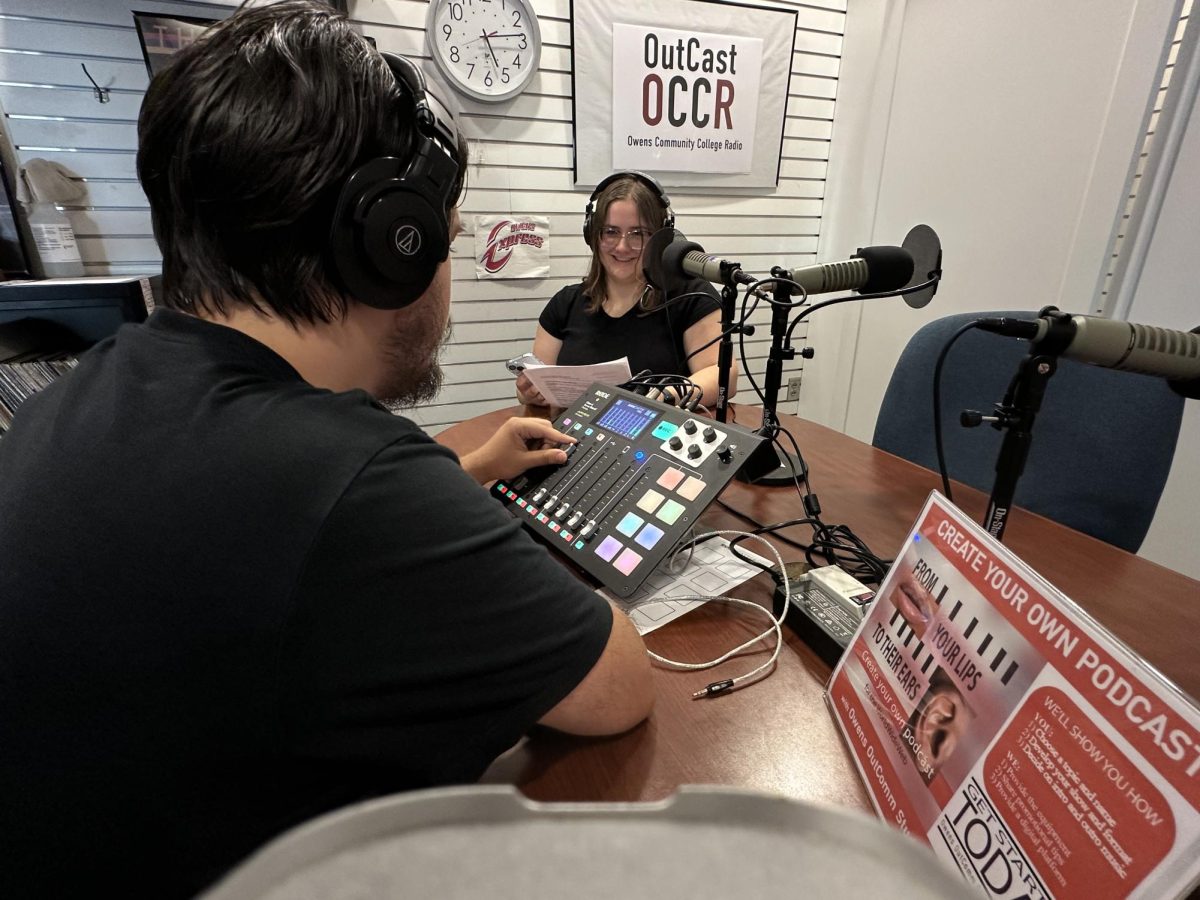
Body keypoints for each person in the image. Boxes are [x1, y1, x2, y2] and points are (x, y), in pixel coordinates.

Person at [0, 3, 652, 896]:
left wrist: (466, 472)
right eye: (449, 240)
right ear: (391, 247)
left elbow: (257, 541)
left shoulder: (83, 389)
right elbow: (617, 688)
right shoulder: (353, 478)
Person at [515, 172, 737, 408]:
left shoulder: (692, 298)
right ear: (593, 234)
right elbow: (535, 385)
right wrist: (529, 393)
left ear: (661, 238)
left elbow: (723, 377)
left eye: (638, 234)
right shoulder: (565, 304)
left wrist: (654, 400)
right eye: (610, 232)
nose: (622, 246)